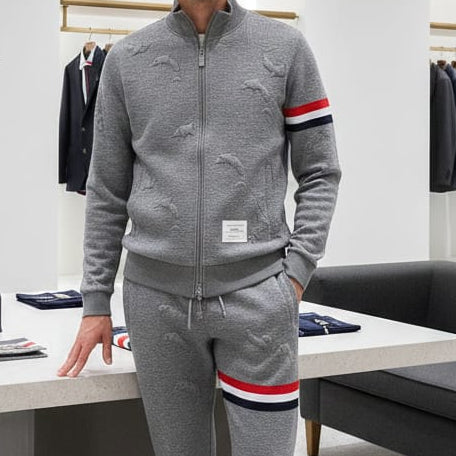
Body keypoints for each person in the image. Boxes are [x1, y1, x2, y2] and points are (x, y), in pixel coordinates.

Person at [57, 0, 342, 454]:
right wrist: (96, 301)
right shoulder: (127, 60)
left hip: (259, 301)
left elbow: (321, 171)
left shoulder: (286, 48)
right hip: (157, 304)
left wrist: (295, 275)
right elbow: (107, 190)